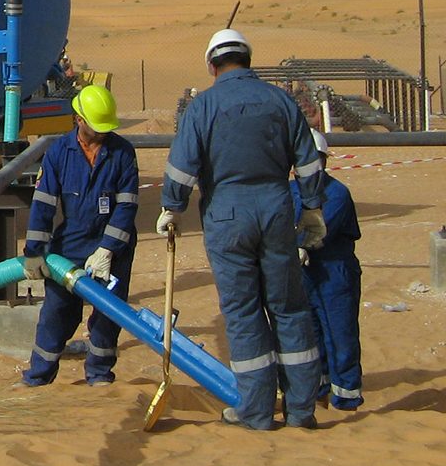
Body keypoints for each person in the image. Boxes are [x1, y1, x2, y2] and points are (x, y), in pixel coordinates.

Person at [158, 28, 327, 430]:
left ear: (211, 66)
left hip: (227, 217)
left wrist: (172, 207)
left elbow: (181, 167)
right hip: (276, 211)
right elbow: (308, 162)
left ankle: (256, 411)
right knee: (289, 307)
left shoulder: (203, 106)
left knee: (243, 312)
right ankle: (301, 409)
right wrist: (312, 208)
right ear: (248, 60)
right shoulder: (280, 101)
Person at [20, 84, 139, 386]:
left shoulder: (122, 152)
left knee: (108, 314)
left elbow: (126, 206)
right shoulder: (59, 152)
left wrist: (108, 249)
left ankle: (99, 374)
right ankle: (39, 375)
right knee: (56, 312)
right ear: (79, 120)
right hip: (70, 243)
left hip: (114, 245)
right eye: (97, 127)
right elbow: (43, 205)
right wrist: (34, 252)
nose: (102, 133)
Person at [292, 129, 364, 410]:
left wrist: (299, 244)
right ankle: (320, 388)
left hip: (334, 271)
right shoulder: (290, 191)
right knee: (312, 334)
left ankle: (346, 396)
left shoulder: (336, 193)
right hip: (303, 273)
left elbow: (321, 229)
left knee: (340, 333)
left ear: (324, 161)